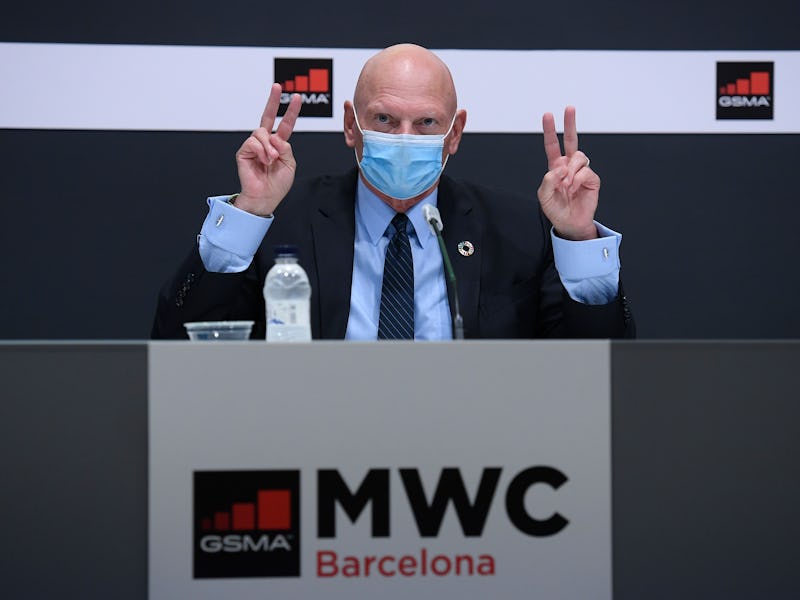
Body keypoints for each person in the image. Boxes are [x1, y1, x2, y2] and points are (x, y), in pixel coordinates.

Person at [151, 43, 634, 340]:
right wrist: (251, 212)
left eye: (426, 123)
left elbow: (603, 368)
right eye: (384, 119)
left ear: (455, 133)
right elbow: (179, 342)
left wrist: (578, 239)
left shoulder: (518, 231)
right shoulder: (281, 221)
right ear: (351, 125)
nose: (405, 138)